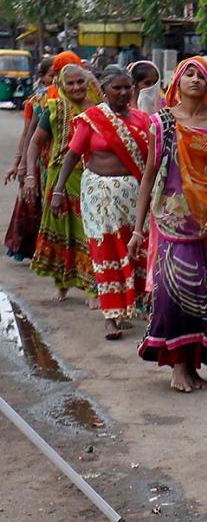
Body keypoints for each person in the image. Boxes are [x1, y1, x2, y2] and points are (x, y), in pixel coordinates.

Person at [127, 56, 207, 393]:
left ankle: (195, 364)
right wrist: (138, 229)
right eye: (189, 74)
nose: (195, 79)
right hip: (171, 219)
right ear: (177, 82)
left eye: (201, 75)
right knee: (174, 289)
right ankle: (178, 365)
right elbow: (150, 175)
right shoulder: (161, 122)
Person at [53, 66, 149, 339]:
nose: (122, 92)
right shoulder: (92, 120)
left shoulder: (143, 120)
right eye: (116, 88)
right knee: (106, 251)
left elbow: (152, 162)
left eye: (126, 87)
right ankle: (111, 316)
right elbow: (72, 156)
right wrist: (58, 191)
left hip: (134, 197)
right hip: (99, 195)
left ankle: (131, 306)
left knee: (134, 251)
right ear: (104, 91)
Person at [26, 59, 100, 301]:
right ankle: (63, 283)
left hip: (89, 178)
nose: (77, 87)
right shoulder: (55, 109)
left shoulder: (98, 109)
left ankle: (92, 288)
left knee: (89, 232)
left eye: (81, 82)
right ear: (61, 84)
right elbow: (35, 142)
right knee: (61, 231)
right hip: (58, 178)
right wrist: (29, 175)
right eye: (71, 83)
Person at [4, 57, 55, 262]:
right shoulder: (37, 102)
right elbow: (28, 134)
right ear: (42, 78)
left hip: (60, 162)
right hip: (41, 162)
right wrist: (21, 165)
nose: (56, 79)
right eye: (52, 75)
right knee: (37, 207)